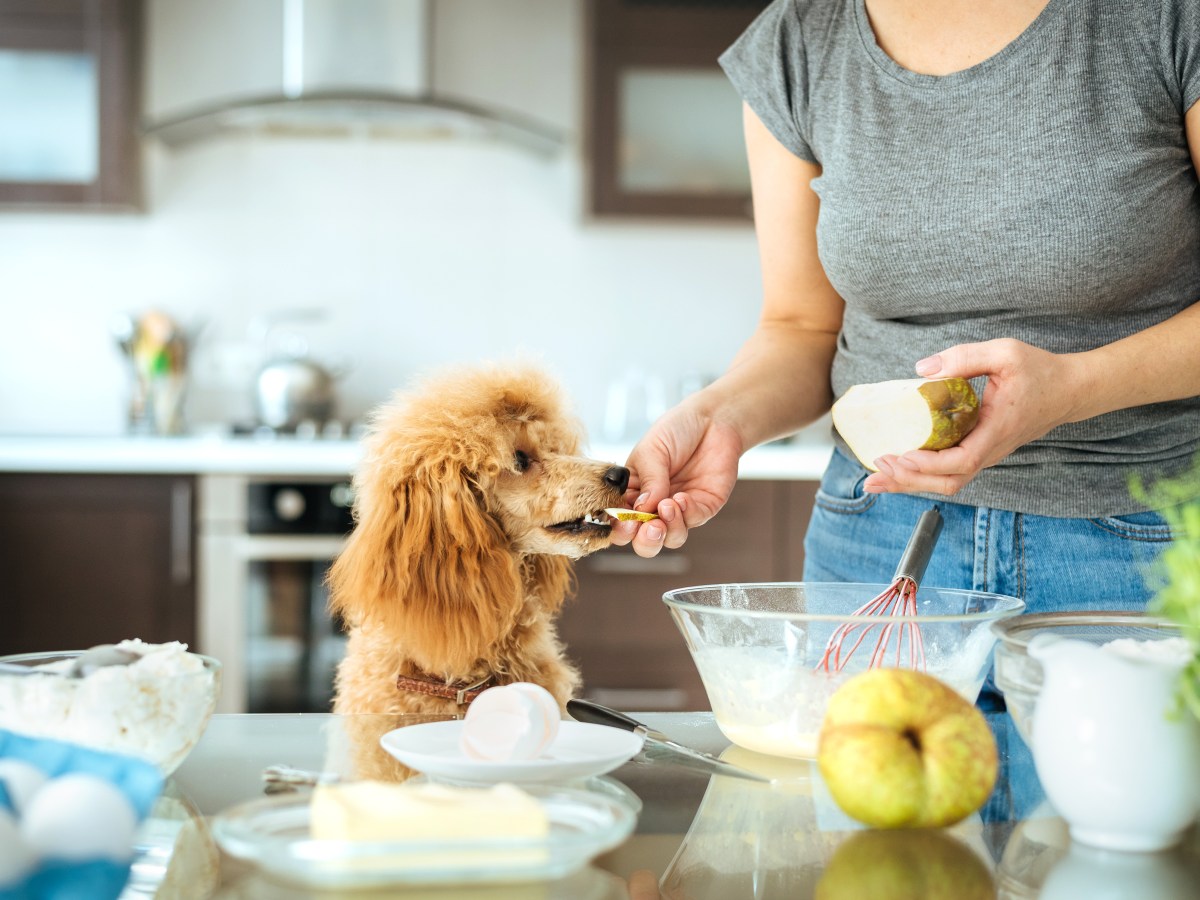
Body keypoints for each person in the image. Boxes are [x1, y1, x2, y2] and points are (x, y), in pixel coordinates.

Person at [611, 0, 1200, 617]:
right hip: (874, 534)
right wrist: (718, 420)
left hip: (1143, 540)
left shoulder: (1163, 17)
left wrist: (1074, 387)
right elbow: (801, 327)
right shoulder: (801, 37)